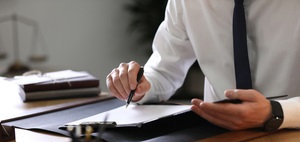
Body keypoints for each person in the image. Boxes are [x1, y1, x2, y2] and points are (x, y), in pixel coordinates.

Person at [106, 0, 300, 131]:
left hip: (291, 133)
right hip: (218, 139)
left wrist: (275, 111)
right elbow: (163, 70)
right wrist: (140, 85)